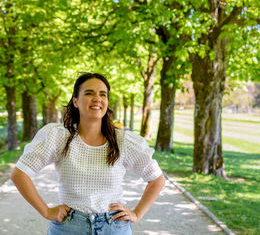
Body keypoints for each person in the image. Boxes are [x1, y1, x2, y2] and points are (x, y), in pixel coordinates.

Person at [10, 72, 165, 235]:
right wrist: (46, 211)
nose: (97, 98)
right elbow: (19, 173)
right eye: (89, 93)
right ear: (75, 101)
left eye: (102, 94)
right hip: (70, 227)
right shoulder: (59, 137)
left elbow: (157, 179)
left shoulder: (123, 141)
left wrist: (137, 213)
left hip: (114, 227)